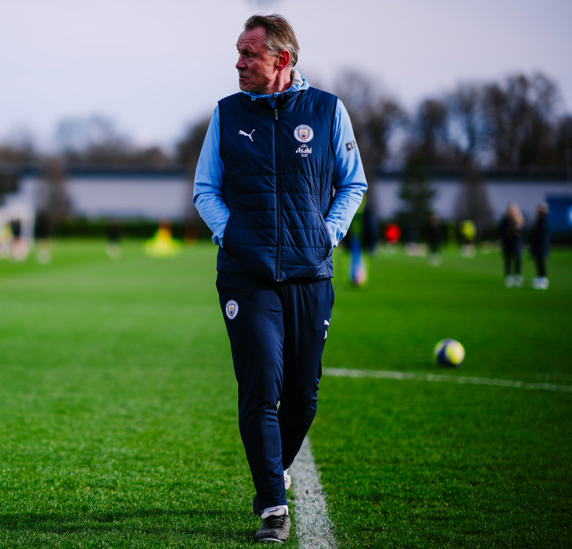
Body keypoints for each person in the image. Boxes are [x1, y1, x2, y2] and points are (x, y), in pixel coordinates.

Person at [193, 14, 366, 543]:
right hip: (247, 277)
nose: (239, 63)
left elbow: (351, 183)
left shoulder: (328, 110)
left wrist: (327, 233)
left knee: (303, 397)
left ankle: (273, 471)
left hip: (310, 272)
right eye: (238, 53)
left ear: (281, 60)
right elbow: (206, 189)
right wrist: (232, 234)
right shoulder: (226, 115)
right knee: (260, 385)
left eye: (249, 54)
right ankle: (273, 503)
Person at [501, 202, 524, 288]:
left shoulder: (519, 220)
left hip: (516, 244)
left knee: (517, 259)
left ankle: (517, 276)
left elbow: (522, 233)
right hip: (507, 244)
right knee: (508, 260)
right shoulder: (505, 221)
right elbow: (502, 232)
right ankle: (508, 277)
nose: (512, 213)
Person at [528, 202, 550, 289]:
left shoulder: (543, 222)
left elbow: (540, 235)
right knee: (539, 263)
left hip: (541, 247)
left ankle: (543, 280)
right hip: (538, 247)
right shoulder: (539, 221)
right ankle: (540, 278)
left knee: (541, 264)